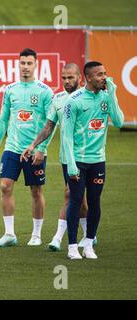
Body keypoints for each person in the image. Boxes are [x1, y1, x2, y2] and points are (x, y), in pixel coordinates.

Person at [20, 63, 94, 251]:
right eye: (64, 78)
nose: (66, 81)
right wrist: (33, 145)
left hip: (89, 158)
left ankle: (58, 238)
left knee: (74, 195)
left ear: (80, 78)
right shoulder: (58, 99)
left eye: (70, 77)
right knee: (77, 197)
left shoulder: (91, 98)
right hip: (67, 157)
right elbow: (49, 126)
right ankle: (89, 235)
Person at [0, 48, 53, 247]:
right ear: (19, 64)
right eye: (22, 63)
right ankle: (9, 234)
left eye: (29, 63)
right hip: (12, 148)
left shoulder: (45, 91)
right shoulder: (10, 90)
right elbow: (4, 119)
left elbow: (52, 123)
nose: (25, 66)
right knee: (5, 186)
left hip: (35, 150)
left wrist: (42, 148)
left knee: (35, 190)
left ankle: (36, 234)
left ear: (36, 64)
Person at [62, 61, 124, 260]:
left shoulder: (106, 97)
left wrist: (113, 94)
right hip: (78, 160)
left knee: (96, 201)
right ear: (88, 78)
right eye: (99, 74)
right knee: (76, 200)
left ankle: (89, 244)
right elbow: (66, 135)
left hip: (98, 160)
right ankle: (72, 246)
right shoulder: (75, 100)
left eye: (105, 73)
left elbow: (119, 121)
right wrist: (71, 163)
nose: (103, 77)